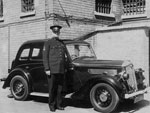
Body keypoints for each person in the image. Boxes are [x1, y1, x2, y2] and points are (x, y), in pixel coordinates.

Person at [43, 25, 66, 112]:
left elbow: (63, 56)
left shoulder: (61, 43)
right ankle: (52, 105)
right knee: (52, 88)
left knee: (60, 88)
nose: (56, 33)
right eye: (55, 32)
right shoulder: (48, 42)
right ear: (52, 32)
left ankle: (59, 104)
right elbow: (45, 57)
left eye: (58, 32)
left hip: (60, 69)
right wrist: (47, 69)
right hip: (52, 70)